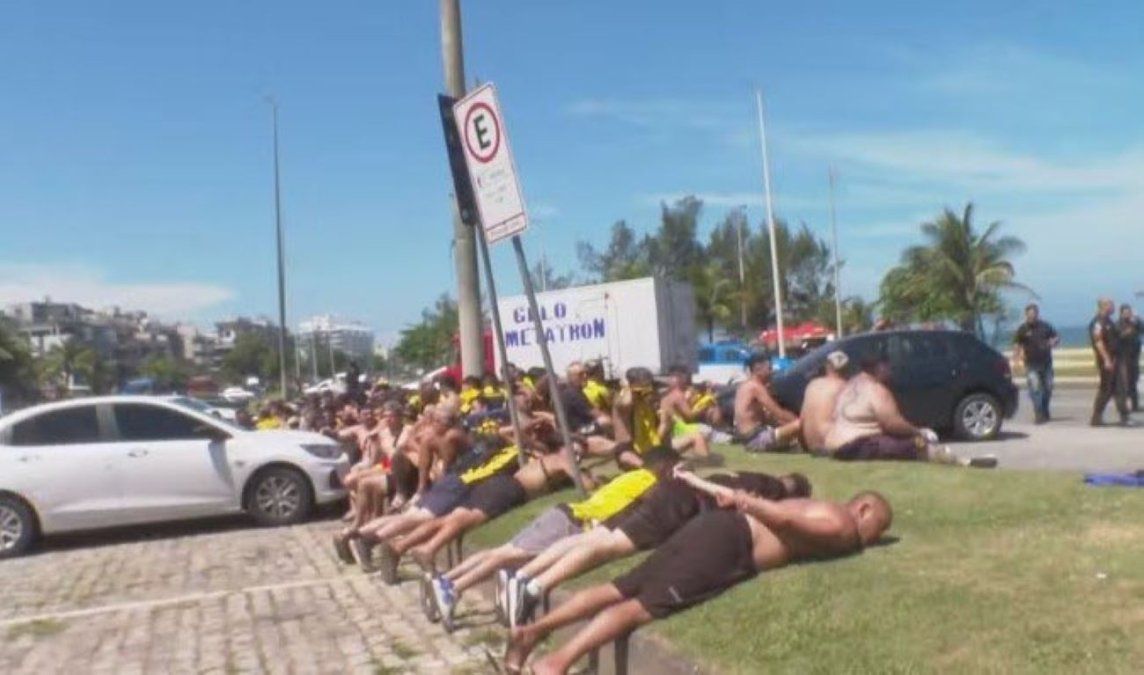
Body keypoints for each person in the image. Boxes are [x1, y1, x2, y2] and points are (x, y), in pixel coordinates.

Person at [502, 484, 893, 675]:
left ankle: (533, 631)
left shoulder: (819, 503)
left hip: (712, 526)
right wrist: (748, 501)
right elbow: (787, 522)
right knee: (640, 608)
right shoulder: (843, 524)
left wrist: (744, 504)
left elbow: (791, 518)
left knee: (621, 587)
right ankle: (556, 663)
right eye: (877, 526)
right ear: (864, 507)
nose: (871, 537)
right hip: (729, 542)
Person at [504, 465, 811, 628]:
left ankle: (525, 576)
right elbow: (727, 495)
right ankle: (535, 588)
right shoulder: (770, 489)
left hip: (669, 492)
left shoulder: (752, 473)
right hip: (681, 502)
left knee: (595, 538)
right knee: (609, 546)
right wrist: (697, 483)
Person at [425, 448, 680, 630]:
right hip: (573, 521)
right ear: (664, 467)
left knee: (503, 552)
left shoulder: (632, 476)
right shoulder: (649, 481)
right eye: (673, 470)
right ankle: (452, 588)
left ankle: (447, 581)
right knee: (507, 555)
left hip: (566, 514)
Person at [824, 356, 996, 467]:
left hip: (833, 446)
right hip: (857, 446)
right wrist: (919, 432)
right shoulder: (875, 389)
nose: (890, 371)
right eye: (887, 367)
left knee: (897, 442)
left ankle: (953, 457)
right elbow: (893, 423)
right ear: (878, 368)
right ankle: (960, 462)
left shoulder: (849, 386)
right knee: (915, 445)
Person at [733, 354, 800, 452]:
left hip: (750, 439)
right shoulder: (755, 387)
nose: (771, 372)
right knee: (800, 424)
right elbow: (778, 413)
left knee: (793, 438)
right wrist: (798, 420)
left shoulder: (745, 386)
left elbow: (769, 418)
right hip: (756, 440)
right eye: (769, 368)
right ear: (758, 370)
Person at [1012, 303, 1059, 424]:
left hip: (1046, 363)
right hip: (1031, 364)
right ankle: (1038, 413)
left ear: (1037, 314)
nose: (1031, 317)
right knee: (1036, 388)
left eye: (1034, 314)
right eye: (1029, 315)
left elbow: (1056, 337)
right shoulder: (1023, 329)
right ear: (1026, 315)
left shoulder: (1045, 326)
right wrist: (1016, 360)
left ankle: (1044, 409)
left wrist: (1053, 342)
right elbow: (1017, 344)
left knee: (1048, 388)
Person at [800, 350, 851, 453]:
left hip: (811, 446)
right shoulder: (844, 386)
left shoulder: (812, 385)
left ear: (827, 366)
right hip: (831, 446)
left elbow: (802, 420)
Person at [1090, 298, 1130, 426]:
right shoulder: (1098, 322)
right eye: (1111, 305)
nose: (1113, 307)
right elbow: (1098, 342)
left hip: (1116, 359)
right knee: (1106, 389)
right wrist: (1107, 359)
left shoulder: (1109, 322)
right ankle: (1096, 418)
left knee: (1119, 388)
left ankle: (1124, 417)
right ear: (1104, 306)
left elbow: (1114, 338)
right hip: (1107, 361)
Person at [1116, 304, 1142, 412]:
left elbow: (1142, 329)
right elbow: (1117, 337)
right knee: (1125, 382)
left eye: (1129, 312)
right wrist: (1125, 333)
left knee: (1134, 380)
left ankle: (1135, 404)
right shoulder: (1118, 324)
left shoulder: (1133, 323)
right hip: (1124, 356)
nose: (1128, 314)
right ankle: (1124, 406)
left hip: (1134, 355)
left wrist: (1138, 319)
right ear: (1121, 313)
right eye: (1125, 312)